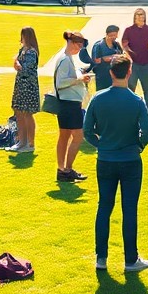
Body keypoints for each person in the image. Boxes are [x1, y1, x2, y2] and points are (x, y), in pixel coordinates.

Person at [83, 55, 148, 272]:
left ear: (111, 73)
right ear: (129, 72)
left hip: (106, 159)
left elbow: (87, 131)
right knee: (129, 209)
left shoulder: (98, 98)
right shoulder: (136, 101)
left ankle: (101, 257)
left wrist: (101, 145)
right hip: (130, 160)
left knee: (104, 206)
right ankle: (130, 259)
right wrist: (138, 146)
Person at [53, 31, 92, 182]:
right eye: (78, 44)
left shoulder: (66, 57)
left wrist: (78, 74)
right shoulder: (65, 59)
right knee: (78, 136)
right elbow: (61, 83)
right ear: (71, 42)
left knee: (64, 136)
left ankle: (62, 169)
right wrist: (79, 79)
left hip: (66, 102)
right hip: (69, 103)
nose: (79, 48)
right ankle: (67, 169)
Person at [120, 8, 148, 115]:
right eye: (138, 15)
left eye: (142, 15)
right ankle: (130, 113)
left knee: (147, 89)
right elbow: (124, 45)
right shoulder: (128, 30)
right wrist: (129, 56)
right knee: (131, 89)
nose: (141, 17)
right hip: (133, 65)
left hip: (146, 64)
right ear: (134, 17)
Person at [9, 27, 41, 153]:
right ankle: (21, 141)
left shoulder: (32, 52)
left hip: (28, 86)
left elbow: (26, 69)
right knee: (19, 113)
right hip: (20, 85)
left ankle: (30, 142)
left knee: (27, 114)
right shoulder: (22, 50)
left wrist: (17, 64)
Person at [89, 25, 123, 91]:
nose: (114, 37)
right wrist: (110, 58)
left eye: (115, 35)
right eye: (111, 35)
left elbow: (121, 56)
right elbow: (96, 60)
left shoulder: (116, 45)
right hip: (102, 76)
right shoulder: (99, 45)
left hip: (114, 76)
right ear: (107, 34)